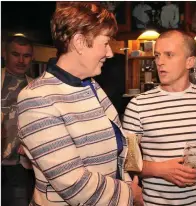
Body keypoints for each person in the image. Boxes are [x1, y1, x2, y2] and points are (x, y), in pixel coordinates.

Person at [16, 2, 140, 205]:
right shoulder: (36, 98)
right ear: (80, 42)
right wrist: (129, 194)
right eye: (105, 42)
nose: (109, 53)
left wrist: (126, 185)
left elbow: (117, 157)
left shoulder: (91, 85)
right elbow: (74, 184)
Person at [123, 30, 196, 205]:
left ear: (189, 61)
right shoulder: (138, 105)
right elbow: (127, 161)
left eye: (169, 55)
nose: (160, 62)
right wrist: (161, 169)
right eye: (157, 55)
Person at [1, 35, 35, 206]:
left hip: (19, 167)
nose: (21, 60)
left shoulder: (37, 88)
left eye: (26, 55)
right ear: (4, 54)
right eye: (16, 54)